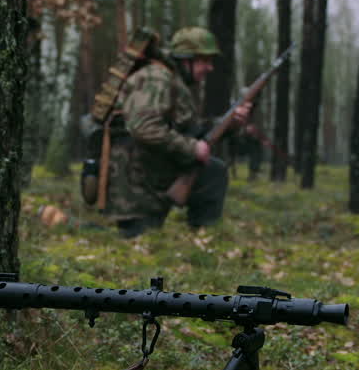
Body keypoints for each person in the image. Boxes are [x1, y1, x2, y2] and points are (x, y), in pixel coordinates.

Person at [104, 26, 250, 238]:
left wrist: (230, 124)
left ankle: (203, 240)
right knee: (135, 241)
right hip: (136, 186)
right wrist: (192, 148)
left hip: (148, 175)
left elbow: (188, 129)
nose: (209, 68)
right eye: (204, 60)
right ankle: (63, 221)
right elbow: (144, 128)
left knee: (213, 173)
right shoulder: (157, 78)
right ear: (185, 59)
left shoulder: (171, 80)